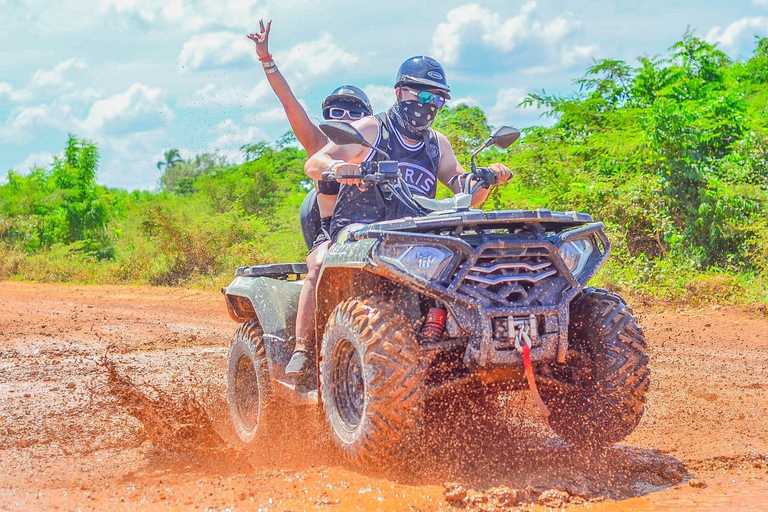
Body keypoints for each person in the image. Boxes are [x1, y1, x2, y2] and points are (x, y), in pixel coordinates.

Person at [286, 55, 512, 375]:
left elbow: (467, 193)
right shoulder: (371, 129)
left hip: (414, 237)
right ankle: (303, 348)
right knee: (319, 263)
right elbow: (314, 164)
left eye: (438, 98)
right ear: (400, 93)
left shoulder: (437, 144)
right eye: (422, 95)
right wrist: (341, 167)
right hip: (359, 233)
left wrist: (487, 178)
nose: (429, 104)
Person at [247, 21, 373, 376]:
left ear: (368, 119)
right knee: (318, 262)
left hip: (372, 236)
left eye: (354, 113)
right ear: (326, 117)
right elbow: (289, 102)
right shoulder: (320, 146)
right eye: (337, 112)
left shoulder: (375, 149)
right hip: (332, 233)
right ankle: (303, 348)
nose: (345, 118)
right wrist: (267, 59)